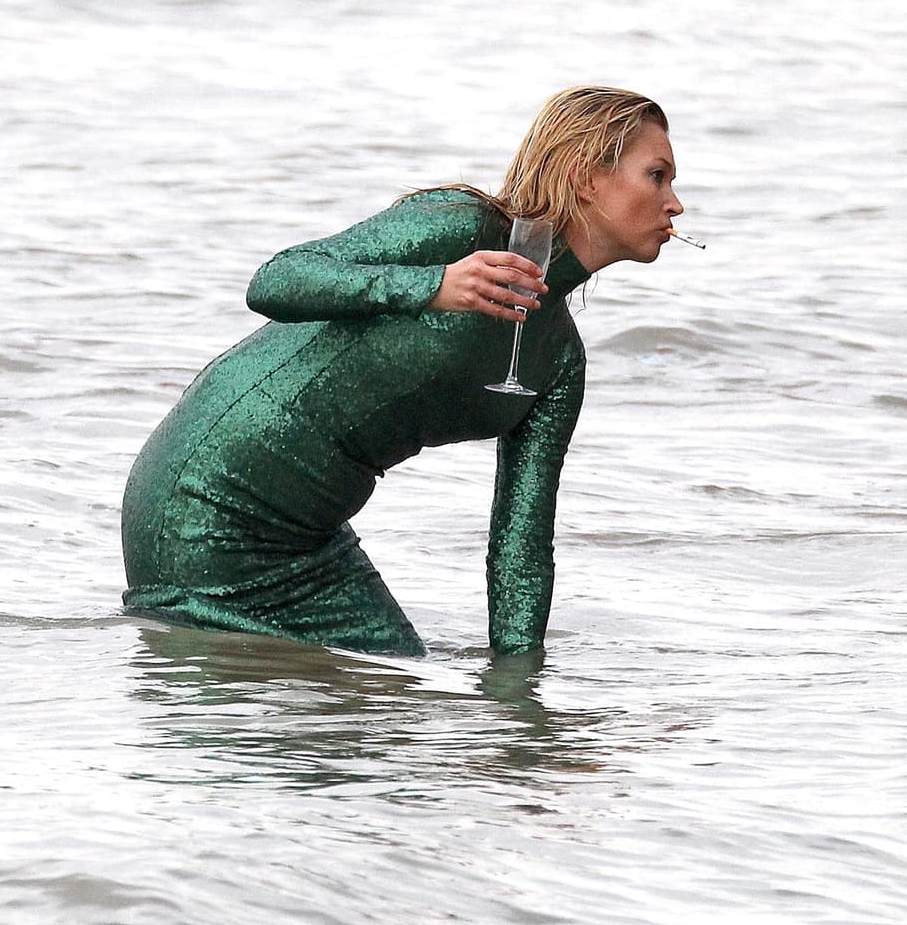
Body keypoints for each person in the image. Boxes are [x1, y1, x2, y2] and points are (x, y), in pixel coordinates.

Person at [121, 85, 685, 658]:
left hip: (312, 542)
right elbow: (276, 280)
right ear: (588, 174)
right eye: (657, 175)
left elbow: (522, 543)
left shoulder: (559, 361)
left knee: (394, 680)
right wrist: (432, 286)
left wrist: (522, 707)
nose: (675, 203)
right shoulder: (460, 229)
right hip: (206, 495)